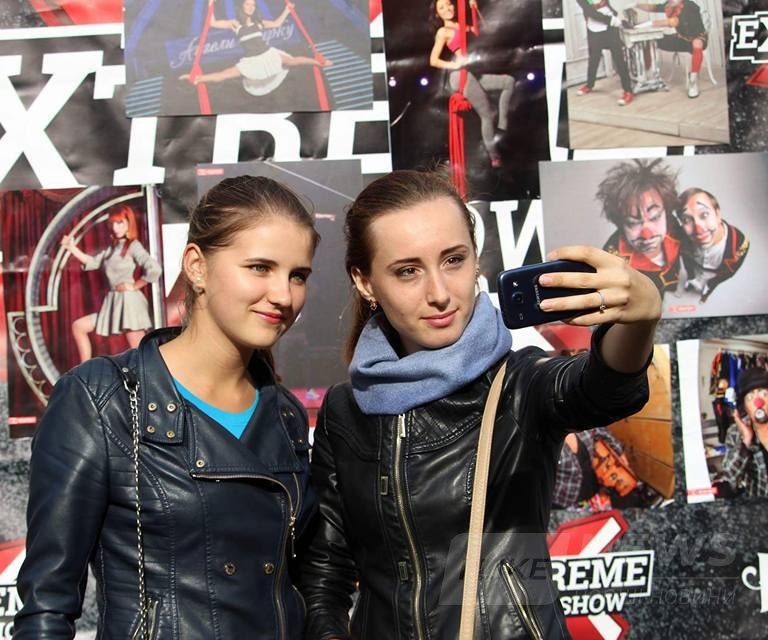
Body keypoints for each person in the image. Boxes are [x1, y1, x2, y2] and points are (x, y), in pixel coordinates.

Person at [298, 169, 661, 639]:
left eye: (454, 260)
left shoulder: (520, 385)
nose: (439, 294)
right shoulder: (345, 411)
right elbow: (325, 574)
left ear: (475, 259)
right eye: (408, 271)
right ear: (365, 282)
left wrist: (640, 319)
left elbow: (603, 387)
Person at [15, 176, 321, 639]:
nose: (284, 295)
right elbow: (46, 607)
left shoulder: (285, 414)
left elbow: (301, 582)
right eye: (260, 267)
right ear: (196, 266)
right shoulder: (103, 399)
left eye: (298, 275)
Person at [61, 205, 163, 362]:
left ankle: (155, 376)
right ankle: (85, 370)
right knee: (79, 326)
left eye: (120, 223)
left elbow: (154, 269)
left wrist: (134, 286)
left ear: (129, 223)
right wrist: (71, 248)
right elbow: (93, 262)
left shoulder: (133, 245)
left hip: (128, 303)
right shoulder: (112, 248)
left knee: (141, 354)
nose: (115, 228)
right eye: (113, 223)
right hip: (113, 303)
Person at [180, 0, 332, 96]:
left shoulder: (259, 22)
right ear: (241, 5)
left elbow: (277, 24)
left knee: (293, 61)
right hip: (251, 61)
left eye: (253, 4)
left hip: (267, 55)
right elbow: (212, 23)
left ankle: (320, 62)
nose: (251, 7)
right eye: (248, 4)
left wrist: (287, 10)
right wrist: (210, 4)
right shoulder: (235, 24)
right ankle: (197, 79)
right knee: (224, 75)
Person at [429, 0, 515, 167]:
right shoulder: (443, 31)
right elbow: (433, 60)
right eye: (441, 8)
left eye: (448, 4)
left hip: (473, 74)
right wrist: (454, 64)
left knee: (509, 82)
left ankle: (502, 126)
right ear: (437, 14)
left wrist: (474, 8)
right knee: (487, 114)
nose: (447, 9)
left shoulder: (465, 27)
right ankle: (494, 156)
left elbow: (485, 31)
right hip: (459, 76)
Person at [596, 158, 684, 297]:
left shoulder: (678, 228)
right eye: (632, 223)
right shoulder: (612, 262)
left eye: (655, 217)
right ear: (620, 224)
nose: (647, 235)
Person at [677, 187, 749, 303]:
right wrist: (691, 275)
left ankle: (706, 292)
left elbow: (728, 272)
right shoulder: (682, 236)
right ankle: (691, 281)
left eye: (704, 215)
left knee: (710, 286)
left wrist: (712, 282)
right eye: (686, 220)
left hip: (714, 277)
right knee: (691, 277)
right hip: (695, 269)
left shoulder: (740, 244)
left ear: (718, 214)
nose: (698, 229)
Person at [636, 0, 707, 98]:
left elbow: (674, 21)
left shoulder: (690, 6)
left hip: (697, 38)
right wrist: (636, 5)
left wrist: (647, 24)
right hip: (681, 38)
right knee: (652, 39)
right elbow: (653, 8)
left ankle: (693, 81)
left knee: (697, 44)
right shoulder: (670, 5)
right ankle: (647, 73)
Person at [574, 0, 635, 106]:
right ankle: (589, 85)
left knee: (619, 59)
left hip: (610, 28)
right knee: (594, 59)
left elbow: (607, 5)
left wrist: (614, 16)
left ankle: (628, 91)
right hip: (594, 28)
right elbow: (590, 11)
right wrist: (611, 20)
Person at [721, 368, 768, 498]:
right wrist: (745, 442)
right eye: (750, 397)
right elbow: (730, 480)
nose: (758, 403)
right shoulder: (735, 433)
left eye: (764, 394)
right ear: (745, 407)